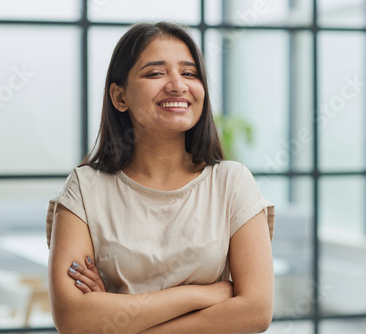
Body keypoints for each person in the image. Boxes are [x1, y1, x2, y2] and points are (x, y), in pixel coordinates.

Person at [46, 21, 275, 334]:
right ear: (119, 96)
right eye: (156, 73)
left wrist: (119, 318)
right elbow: (73, 319)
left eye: (189, 73)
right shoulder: (85, 189)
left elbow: (256, 311)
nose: (178, 85)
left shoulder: (232, 182)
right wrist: (204, 294)